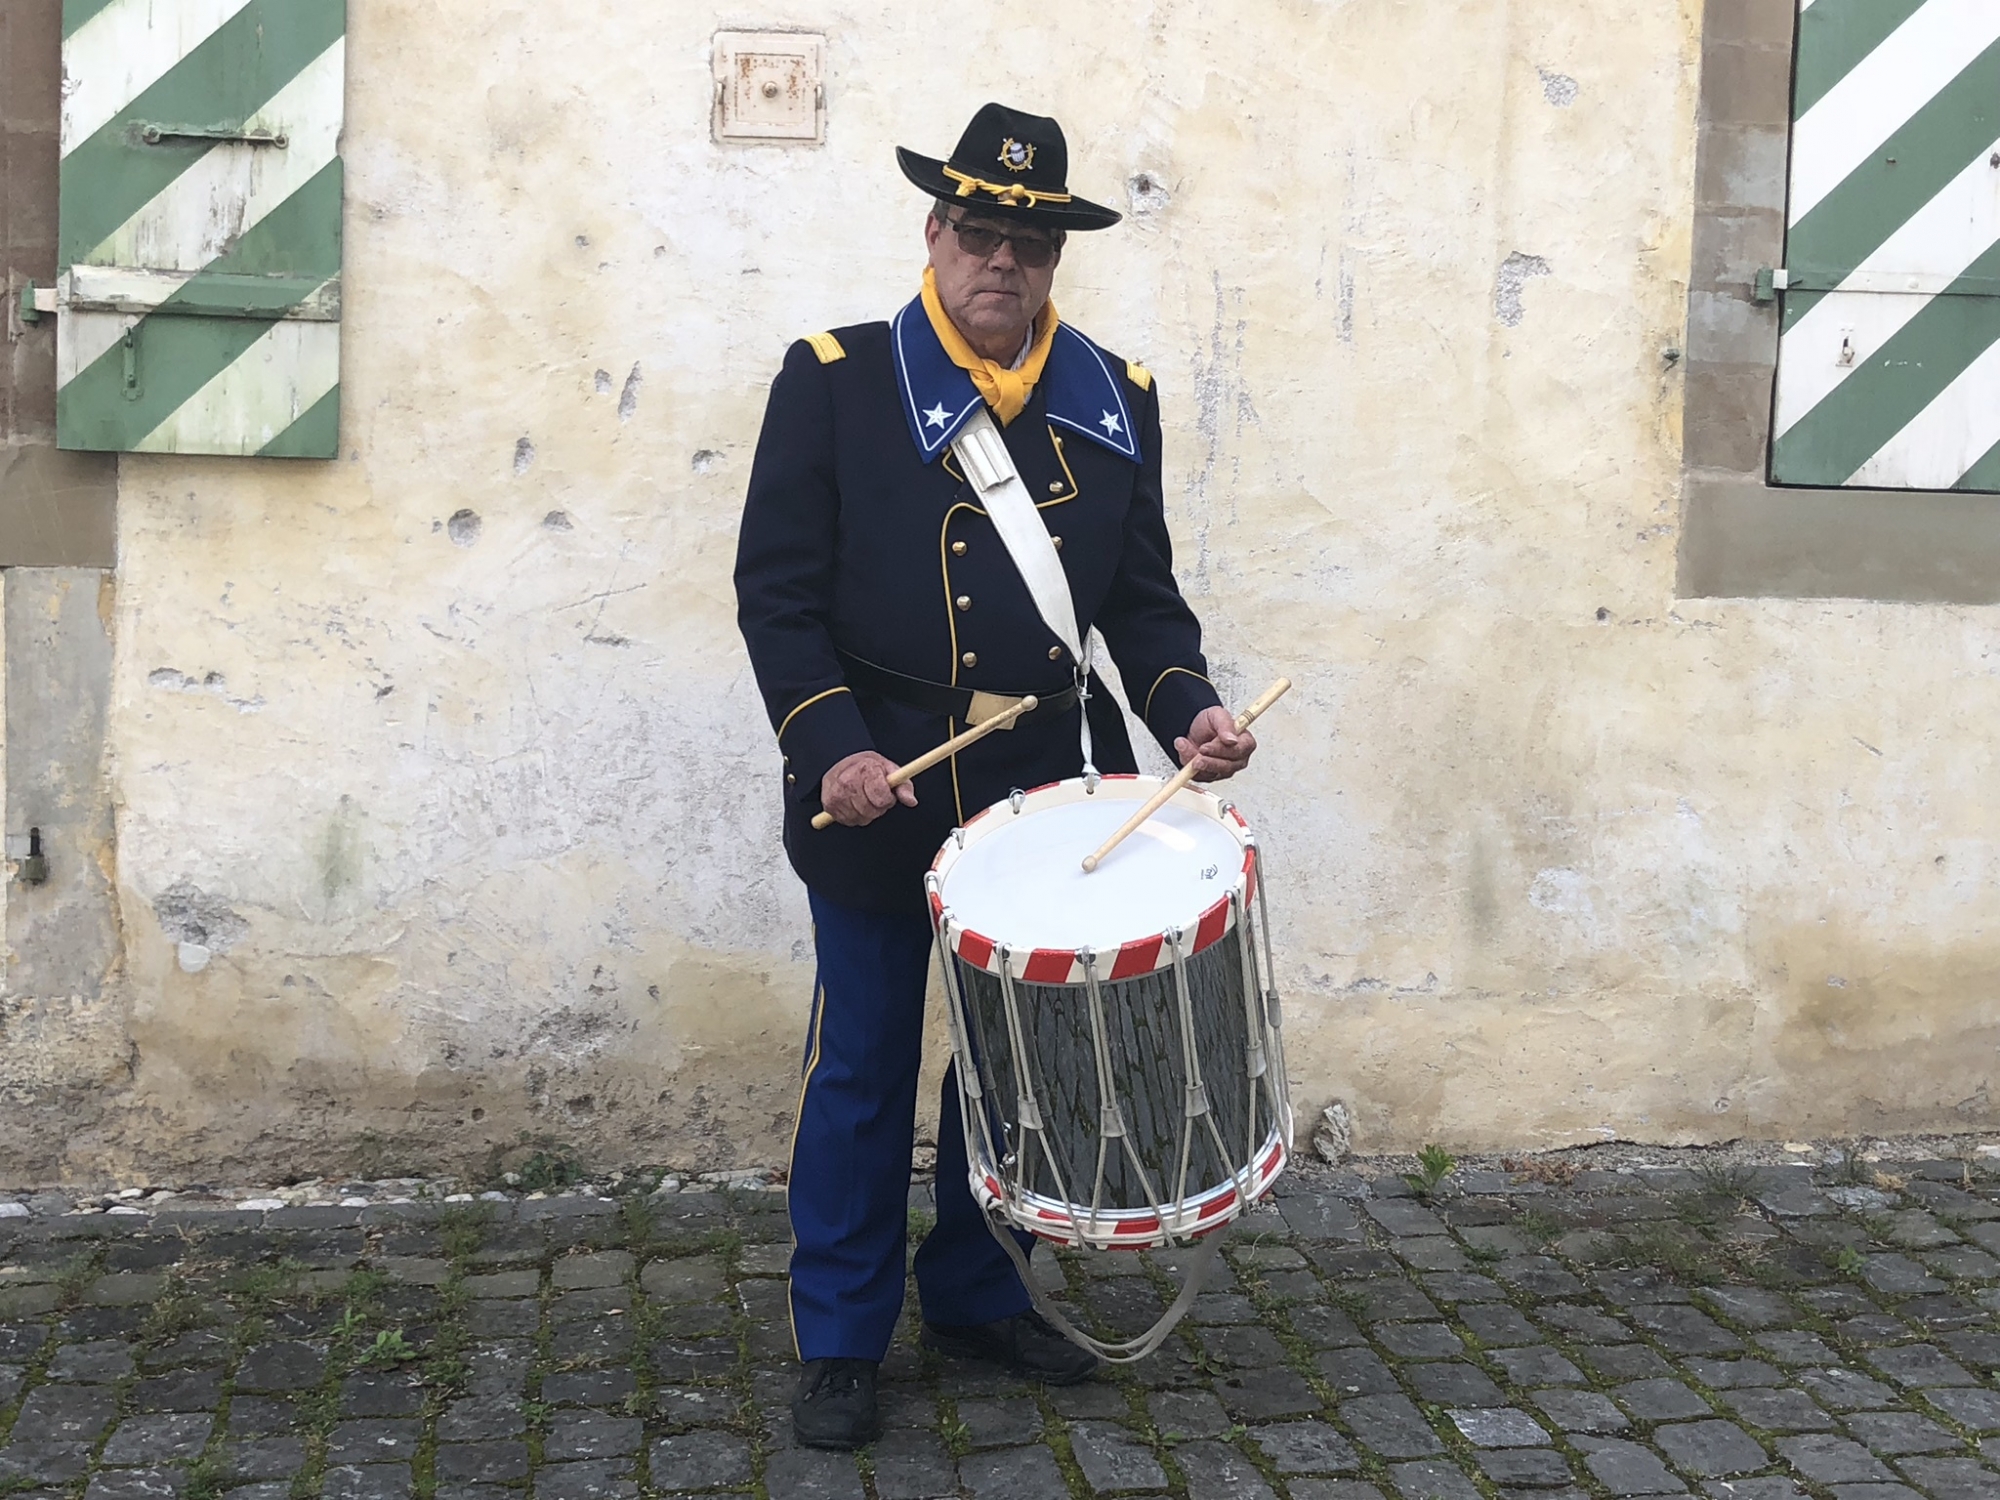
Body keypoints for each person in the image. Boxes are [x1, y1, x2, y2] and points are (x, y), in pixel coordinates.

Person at [734, 102, 1258, 1451]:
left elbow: (1141, 607)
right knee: (861, 1061)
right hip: (882, 782)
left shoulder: (1109, 398)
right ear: (935, 233)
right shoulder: (839, 380)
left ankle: (973, 1293)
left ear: (1053, 257)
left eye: (1029, 241)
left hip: (1034, 791)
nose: (1001, 265)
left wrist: (1190, 712)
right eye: (978, 233)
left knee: (1008, 1070)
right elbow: (778, 598)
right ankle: (842, 1335)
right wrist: (830, 745)